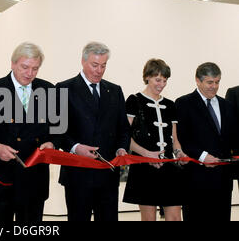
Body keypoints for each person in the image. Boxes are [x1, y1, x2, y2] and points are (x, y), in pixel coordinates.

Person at [0, 42, 60, 222]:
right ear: (12, 64)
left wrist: (52, 143)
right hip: (1, 177)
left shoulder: (48, 90)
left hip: (34, 177)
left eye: (35, 69)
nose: (30, 73)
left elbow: (59, 128)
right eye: (25, 67)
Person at [56, 42, 130, 221]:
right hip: (77, 174)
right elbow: (56, 131)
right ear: (83, 61)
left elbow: (123, 129)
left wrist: (122, 148)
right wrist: (75, 147)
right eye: (94, 65)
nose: (99, 70)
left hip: (108, 174)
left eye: (103, 65)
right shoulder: (63, 89)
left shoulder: (115, 91)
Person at [122, 59, 186, 221]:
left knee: (175, 217)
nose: (162, 84)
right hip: (144, 168)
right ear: (147, 77)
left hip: (170, 167)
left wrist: (179, 153)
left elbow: (175, 139)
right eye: (158, 80)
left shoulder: (170, 105)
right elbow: (124, 136)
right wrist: (146, 154)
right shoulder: (134, 101)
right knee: (149, 218)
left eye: (165, 80)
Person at [175, 62, 239, 221]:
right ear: (198, 80)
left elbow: (233, 137)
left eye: (217, 82)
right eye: (210, 82)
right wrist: (203, 156)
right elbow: (182, 138)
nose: (214, 86)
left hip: (223, 180)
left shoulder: (227, 105)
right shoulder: (184, 103)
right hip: (196, 177)